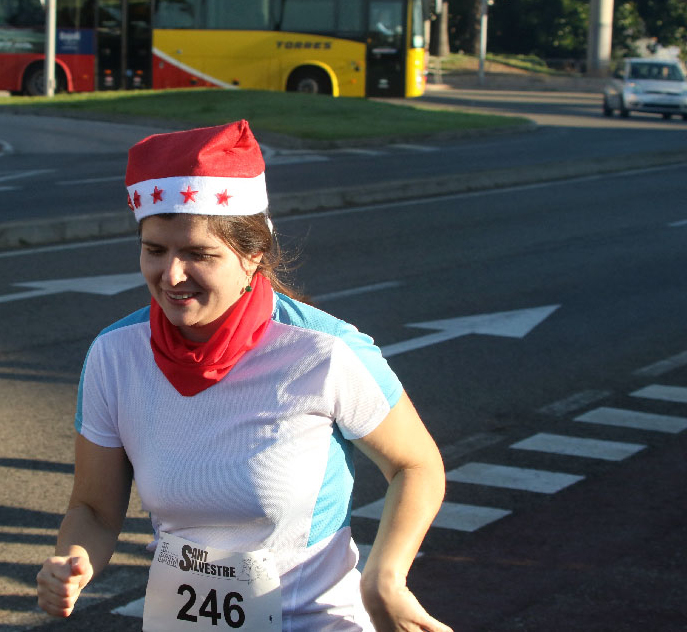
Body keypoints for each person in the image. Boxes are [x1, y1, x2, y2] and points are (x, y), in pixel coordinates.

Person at [37, 120, 451, 631]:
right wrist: (73, 564)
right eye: (155, 250)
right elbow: (94, 510)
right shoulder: (113, 355)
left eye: (198, 254)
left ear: (253, 254)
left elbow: (416, 465)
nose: (171, 276)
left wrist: (385, 578)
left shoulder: (323, 351)